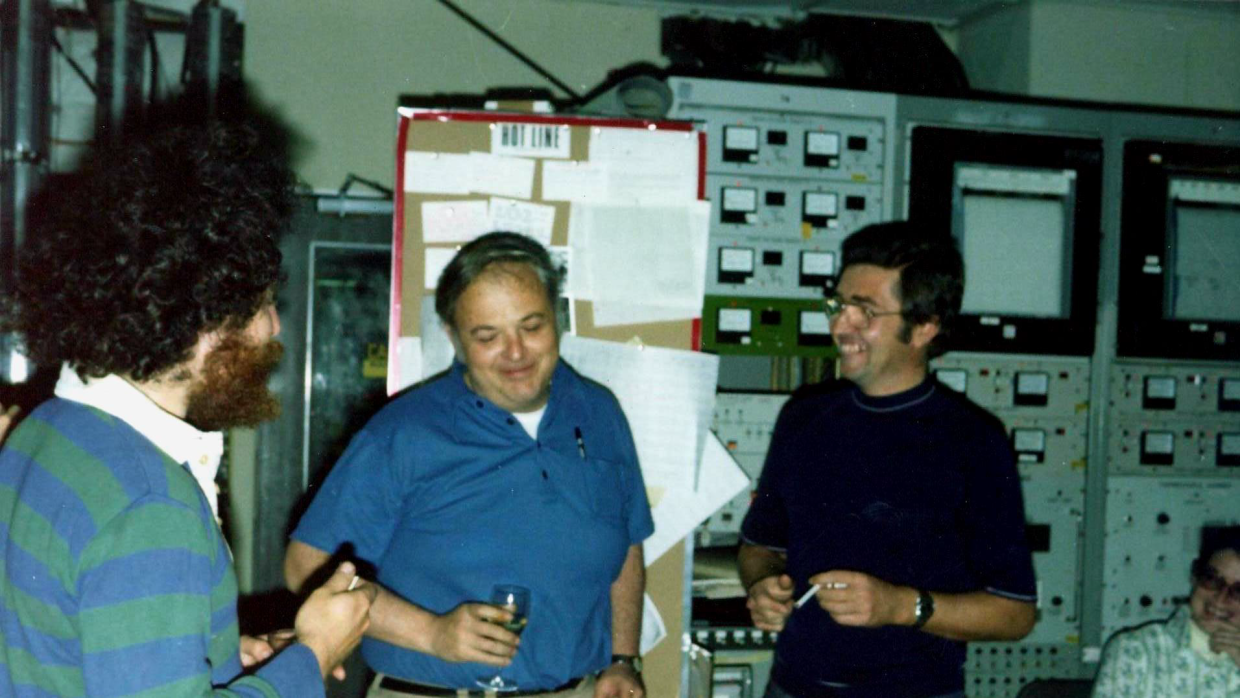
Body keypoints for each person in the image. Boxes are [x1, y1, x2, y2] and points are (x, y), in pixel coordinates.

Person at [0, 111, 375, 697]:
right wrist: (313, 654)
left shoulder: (42, 432)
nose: (273, 327)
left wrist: (219, 656)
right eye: (261, 304)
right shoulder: (149, 503)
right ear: (199, 316)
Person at [284, 232, 653, 698]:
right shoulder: (404, 433)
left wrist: (622, 659)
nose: (515, 352)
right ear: (455, 340)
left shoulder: (600, 414)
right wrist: (431, 633)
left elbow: (627, 545)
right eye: (487, 336)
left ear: (558, 318)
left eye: (532, 326)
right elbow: (305, 567)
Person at [738, 220, 1037, 698]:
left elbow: (1015, 613)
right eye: (839, 305)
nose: (840, 325)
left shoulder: (973, 441)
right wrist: (764, 585)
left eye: (865, 312)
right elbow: (759, 546)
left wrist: (900, 607)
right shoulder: (804, 418)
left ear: (924, 327)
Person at [1092, 526, 1240, 697]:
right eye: (1212, 579)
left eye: (1238, 591)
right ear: (1195, 577)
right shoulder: (1138, 649)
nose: (1220, 599)